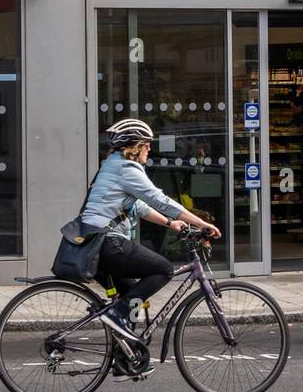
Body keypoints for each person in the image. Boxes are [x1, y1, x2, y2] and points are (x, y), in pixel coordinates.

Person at [81, 118, 220, 345]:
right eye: (146, 144)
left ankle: (125, 356)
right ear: (134, 146)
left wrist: (170, 223)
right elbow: (160, 200)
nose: (149, 148)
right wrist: (201, 223)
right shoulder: (127, 168)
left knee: (131, 300)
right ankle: (116, 316)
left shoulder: (112, 164)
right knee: (163, 269)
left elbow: (139, 206)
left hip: (95, 243)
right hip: (109, 243)